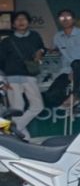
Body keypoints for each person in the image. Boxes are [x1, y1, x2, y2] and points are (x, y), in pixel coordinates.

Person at [0, 12, 47, 140]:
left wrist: (40, 52)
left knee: (38, 106)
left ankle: (15, 127)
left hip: (29, 75)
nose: (21, 21)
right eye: (18, 20)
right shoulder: (7, 41)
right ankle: (24, 139)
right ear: (13, 24)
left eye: (24, 19)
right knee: (17, 109)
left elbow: (43, 48)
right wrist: (3, 80)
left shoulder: (35, 36)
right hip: (12, 78)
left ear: (29, 22)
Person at [54, 8, 80, 107]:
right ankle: (70, 103)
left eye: (68, 17)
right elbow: (56, 51)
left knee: (76, 63)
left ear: (74, 20)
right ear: (59, 20)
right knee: (50, 95)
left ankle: (74, 95)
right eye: (62, 17)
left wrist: (76, 71)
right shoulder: (57, 36)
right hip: (66, 72)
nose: (65, 19)